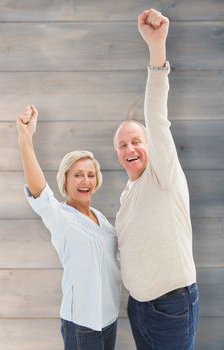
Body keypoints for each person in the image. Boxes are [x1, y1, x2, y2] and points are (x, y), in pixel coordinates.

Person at [114, 8, 199, 350]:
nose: (129, 148)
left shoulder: (164, 174)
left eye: (136, 141)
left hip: (170, 306)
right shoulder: (128, 194)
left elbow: (156, 117)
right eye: (121, 145)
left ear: (152, 147)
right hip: (140, 308)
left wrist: (156, 50)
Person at [16, 105, 121, 350]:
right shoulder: (60, 217)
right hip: (82, 323)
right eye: (77, 175)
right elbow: (39, 190)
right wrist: (25, 137)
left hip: (109, 319)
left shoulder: (102, 219)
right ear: (65, 179)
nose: (86, 181)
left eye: (90, 174)